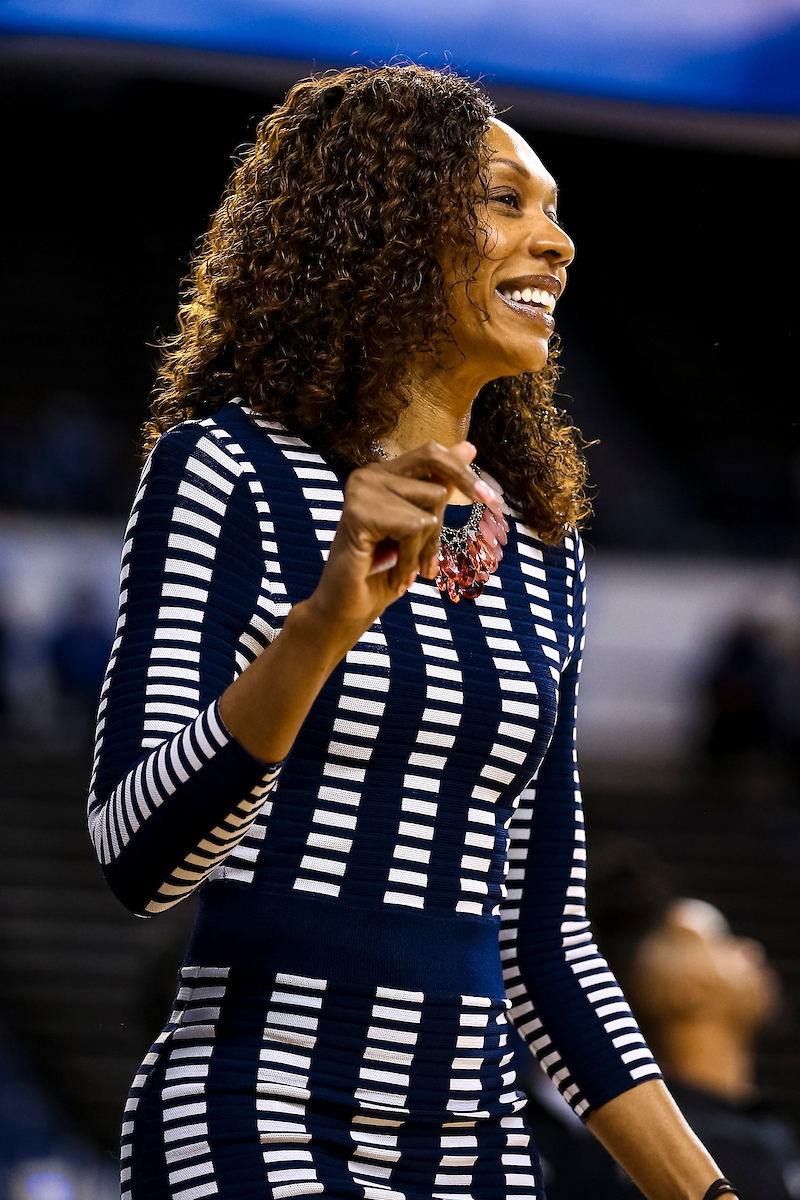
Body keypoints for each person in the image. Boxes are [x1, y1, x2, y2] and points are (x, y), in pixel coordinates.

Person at [88, 66, 735, 1200]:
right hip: (255, 1112)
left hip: (478, 1143)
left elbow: (547, 945)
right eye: (505, 202)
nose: (557, 241)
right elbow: (140, 855)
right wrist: (324, 623)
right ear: (381, 230)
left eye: (553, 208)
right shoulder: (226, 471)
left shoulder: (542, 543)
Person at [523, 841, 799, 1198]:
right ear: (688, 993)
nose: (750, 950)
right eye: (721, 940)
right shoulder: (661, 1152)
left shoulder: (761, 1124)